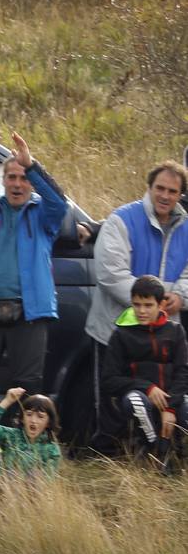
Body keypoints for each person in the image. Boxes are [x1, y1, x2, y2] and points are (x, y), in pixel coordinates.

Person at [0, 131, 68, 394]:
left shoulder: (43, 215)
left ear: (32, 183)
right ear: (3, 180)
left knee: (27, 388)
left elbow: (59, 204)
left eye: (24, 178)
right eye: (12, 177)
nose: (18, 184)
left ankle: (22, 435)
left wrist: (32, 166)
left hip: (29, 313)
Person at [86, 163, 188, 416]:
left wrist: (180, 296)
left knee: (161, 402)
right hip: (114, 330)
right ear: (149, 187)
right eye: (160, 188)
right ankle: (110, 453)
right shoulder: (121, 219)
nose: (165, 196)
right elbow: (111, 275)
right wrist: (157, 300)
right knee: (111, 404)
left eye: (172, 191)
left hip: (164, 337)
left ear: (180, 195)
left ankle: (148, 453)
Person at [99, 275, 188, 468]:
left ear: (161, 304)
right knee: (136, 401)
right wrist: (147, 387)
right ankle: (155, 454)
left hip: (172, 398)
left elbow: (183, 373)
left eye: (148, 305)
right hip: (137, 396)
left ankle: (179, 454)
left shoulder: (176, 331)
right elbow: (108, 380)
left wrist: (171, 407)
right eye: (136, 304)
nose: (141, 311)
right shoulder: (120, 335)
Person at [0, 387, 62, 477]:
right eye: (29, 414)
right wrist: (7, 401)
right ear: (22, 418)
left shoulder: (52, 449)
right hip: (2, 490)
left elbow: (49, 480)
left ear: (48, 423)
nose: (33, 420)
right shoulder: (11, 435)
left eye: (40, 416)